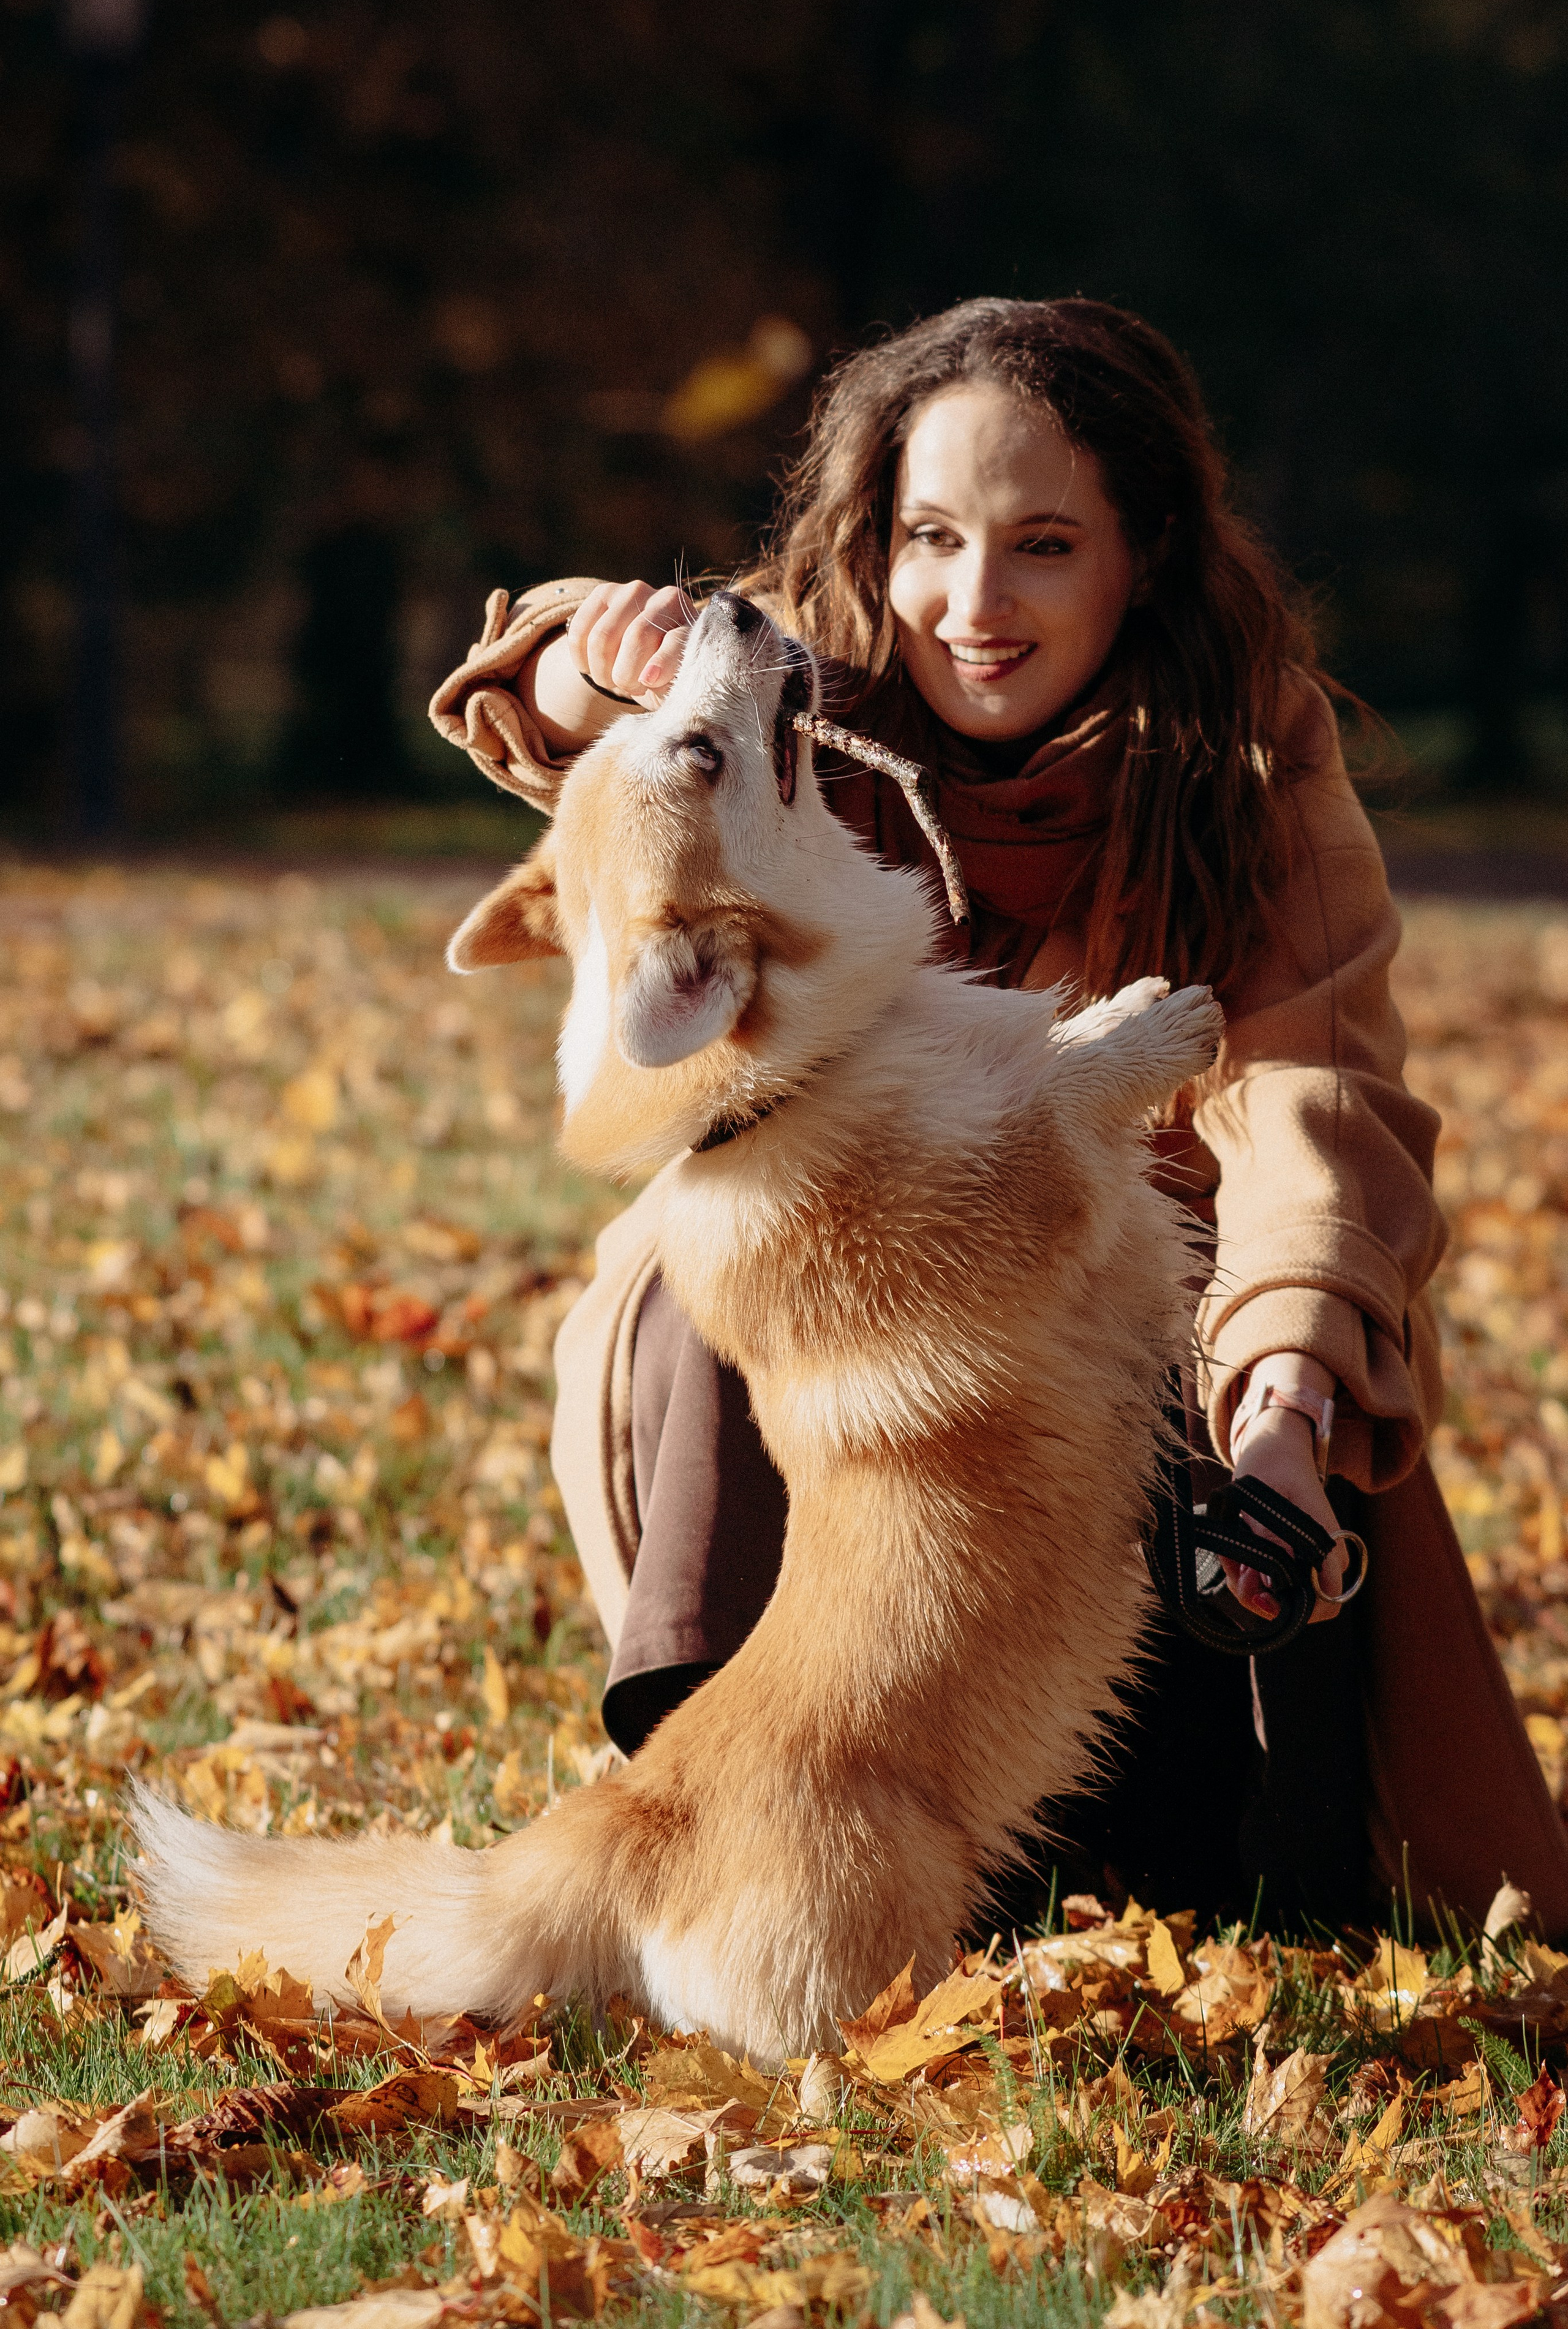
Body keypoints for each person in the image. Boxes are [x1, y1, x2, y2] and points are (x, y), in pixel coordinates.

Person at [432, 296, 1568, 1936]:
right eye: (932, 538)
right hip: (836, 1338)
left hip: (1121, 1313)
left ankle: (1185, 1828)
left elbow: (1309, 1085)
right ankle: (717, 1781)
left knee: (1236, 1784)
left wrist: (1287, 1399)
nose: (973, 604)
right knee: (701, 1281)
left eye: (1043, 545)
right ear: (872, 544)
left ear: (1145, 553)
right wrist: (567, 661)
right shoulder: (802, 669)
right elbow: (619, 735)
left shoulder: (1254, 753)